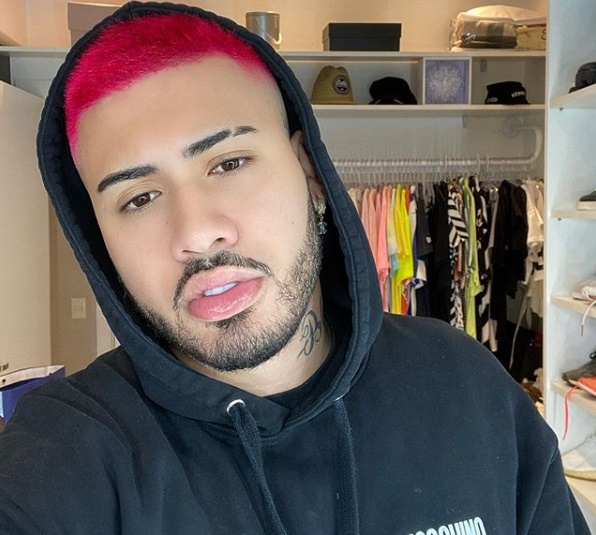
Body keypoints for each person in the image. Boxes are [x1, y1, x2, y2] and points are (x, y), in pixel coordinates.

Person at [0, 2, 589, 534]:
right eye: (139, 198)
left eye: (229, 163)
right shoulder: (67, 452)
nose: (196, 233)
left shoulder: (467, 386)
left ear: (309, 172)